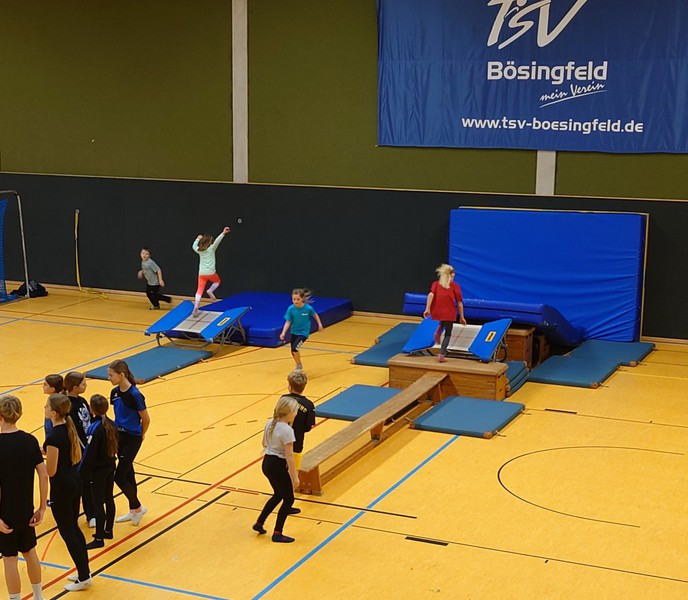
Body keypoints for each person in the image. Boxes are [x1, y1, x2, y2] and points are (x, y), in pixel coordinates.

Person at [0, 394, 49, 600]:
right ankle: (38, 596)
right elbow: (43, 474)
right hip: (26, 509)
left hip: (4, 512)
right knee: (30, 552)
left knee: (10, 559)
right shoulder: (30, 440)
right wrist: (42, 507)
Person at [44, 393, 92, 592]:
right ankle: (84, 571)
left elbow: (51, 470)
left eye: (47, 406)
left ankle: (84, 577)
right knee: (74, 528)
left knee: (68, 531)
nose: (44, 409)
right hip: (74, 480)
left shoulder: (54, 436)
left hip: (62, 487)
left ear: (54, 412)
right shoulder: (67, 428)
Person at [107, 360, 150, 526]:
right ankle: (134, 510)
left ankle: (138, 507)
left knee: (119, 476)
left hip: (133, 437)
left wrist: (141, 434)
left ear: (121, 375)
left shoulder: (135, 395)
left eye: (111, 375)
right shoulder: (114, 393)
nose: (109, 378)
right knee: (128, 473)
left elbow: (146, 419)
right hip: (120, 436)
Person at [252, 396, 300, 543]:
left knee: (278, 494)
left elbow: (263, 442)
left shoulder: (270, 423)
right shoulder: (287, 430)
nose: (296, 413)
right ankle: (277, 533)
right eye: (295, 411)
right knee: (289, 499)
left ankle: (259, 522)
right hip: (277, 465)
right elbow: (289, 456)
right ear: (290, 412)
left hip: (267, 463)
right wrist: (294, 477)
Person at [80, 394, 117, 550]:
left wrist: (81, 471)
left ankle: (99, 537)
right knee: (109, 498)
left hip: (98, 471)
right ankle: (108, 530)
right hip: (110, 466)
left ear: (92, 409)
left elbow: (89, 453)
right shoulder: (111, 424)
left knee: (97, 503)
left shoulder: (95, 428)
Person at [63, 372, 95, 528]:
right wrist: (82, 448)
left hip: (88, 444)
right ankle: (76, 514)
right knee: (80, 483)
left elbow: (89, 420)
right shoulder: (68, 405)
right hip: (79, 449)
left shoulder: (82, 401)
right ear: (75, 387)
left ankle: (91, 514)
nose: (86, 385)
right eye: (83, 384)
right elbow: (73, 430)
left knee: (88, 482)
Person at [423, 263, 467, 363]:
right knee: (448, 333)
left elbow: (431, 295)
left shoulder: (436, 284)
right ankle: (442, 354)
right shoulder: (455, 286)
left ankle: (439, 329)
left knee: (443, 320)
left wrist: (428, 309)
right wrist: (462, 317)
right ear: (451, 275)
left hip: (437, 310)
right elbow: (459, 303)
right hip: (449, 311)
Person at [279, 288, 324, 371]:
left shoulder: (308, 308)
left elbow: (315, 315)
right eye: (294, 299)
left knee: (295, 348)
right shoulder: (291, 309)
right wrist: (283, 333)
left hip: (303, 332)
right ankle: (298, 364)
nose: (296, 301)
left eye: (298, 299)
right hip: (294, 332)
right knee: (293, 351)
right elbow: (288, 322)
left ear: (302, 298)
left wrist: (319, 324)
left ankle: (299, 366)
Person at [192, 226, 231, 317]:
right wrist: (223, 233)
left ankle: (196, 306)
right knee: (217, 281)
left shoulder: (200, 250)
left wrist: (197, 239)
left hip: (202, 273)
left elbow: (193, 246)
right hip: (211, 272)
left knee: (199, 290)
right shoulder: (211, 249)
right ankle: (210, 290)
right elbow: (217, 241)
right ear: (210, 242)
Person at [42, 373, 64, 442]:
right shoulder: (53, 398)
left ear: (52, 389)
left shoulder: (55, 402)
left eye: (45, 385)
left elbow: (50, 428)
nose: (43, 386)